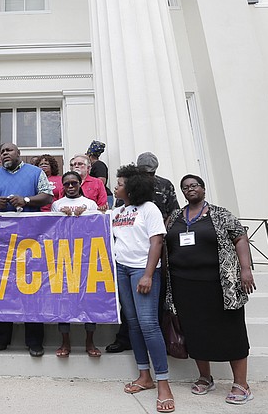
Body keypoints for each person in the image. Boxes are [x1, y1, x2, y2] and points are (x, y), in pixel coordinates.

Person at [164, 174, 256, 405]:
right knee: (195, 331)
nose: (190, 189)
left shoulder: (221, 214)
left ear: (203, 189)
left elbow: (240, 237)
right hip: (184, 284)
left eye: (194, 185)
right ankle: (205, 377)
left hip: (220, 284)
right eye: (185, 187)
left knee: (231, 330)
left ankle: (241, 384)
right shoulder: (176, 216)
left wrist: (246, 269)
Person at [0, 143, 53, 357]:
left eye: (8, 151)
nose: (4, 154)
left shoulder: (35, 172)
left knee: (31, 288)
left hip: (31, 240)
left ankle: (35, 341)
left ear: (19, 153)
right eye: (1, 152)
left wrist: (26, 200)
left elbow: (48, 196)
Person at [112, 165, 175, 413]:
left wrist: (148, 274)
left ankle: (163, 384)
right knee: (133, 322)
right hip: (122, 269)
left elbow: (157, 241)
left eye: (119, 183)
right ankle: (144, 376)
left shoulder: (150, 209)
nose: (116, 187)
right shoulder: (119, 211)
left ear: (132, 187)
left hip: (142, 270)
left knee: (148, 323)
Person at [51, 171, 101, 357]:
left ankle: (90, 342)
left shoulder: (90, 204)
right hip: (63, 258)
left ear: (80, 184)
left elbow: (95, 229)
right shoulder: (57, 205)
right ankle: (65, 343)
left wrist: (86, 215)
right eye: (67, 184)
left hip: (86, 257)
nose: (70, 187)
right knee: (64, 301)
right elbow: (52, 232)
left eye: (74, 183)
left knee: (89, 300)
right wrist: (60, 218)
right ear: (62, 186)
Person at [137, 152, 179, 222]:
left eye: (151, 173)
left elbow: (174, 212)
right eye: (144, 173)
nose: (148, 176)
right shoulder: (128, 185)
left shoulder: (165, 185)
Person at [87, 140, 113, 208]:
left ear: (90, 155)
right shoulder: (92, 166)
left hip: (104, 196)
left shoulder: (99, 165)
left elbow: (101, 181)